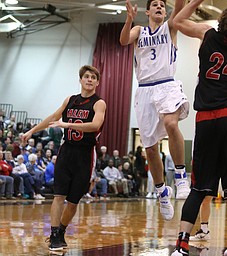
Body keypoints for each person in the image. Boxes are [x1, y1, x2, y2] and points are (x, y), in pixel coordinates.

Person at [171, 0, 227, 255]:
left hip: (205, 119)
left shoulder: (207, 34)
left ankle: (181, 244)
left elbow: (176, 21)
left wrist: (196, 2)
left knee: (200, 186)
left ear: (221, 22)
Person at [22, 65, 106, 251]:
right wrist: (32, 130)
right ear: (81, 80)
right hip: (66, 152)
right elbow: (53, 117)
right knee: (59, 196)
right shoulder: (70, 100)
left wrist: (67, 124)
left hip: (85, 154)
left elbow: (95, 125)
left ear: (97, 82)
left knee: (73, 201)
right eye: (86, 76)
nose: (90, 79)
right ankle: (53, 234)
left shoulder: (99, 103)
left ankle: (61, 230)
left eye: (93, 77)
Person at [119, 0, 191, 220]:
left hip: (167, 84)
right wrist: (129, 18)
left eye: (162, 4)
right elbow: (123, 41)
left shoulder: (169, 27)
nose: (159, 7)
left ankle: (180, 176)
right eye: (155, 5)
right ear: (148, 11)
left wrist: (177, 4)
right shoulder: (139, 30)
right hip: (144, 89)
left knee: (171, 123)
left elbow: (179, 8)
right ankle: (161, 192)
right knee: (150, 148)